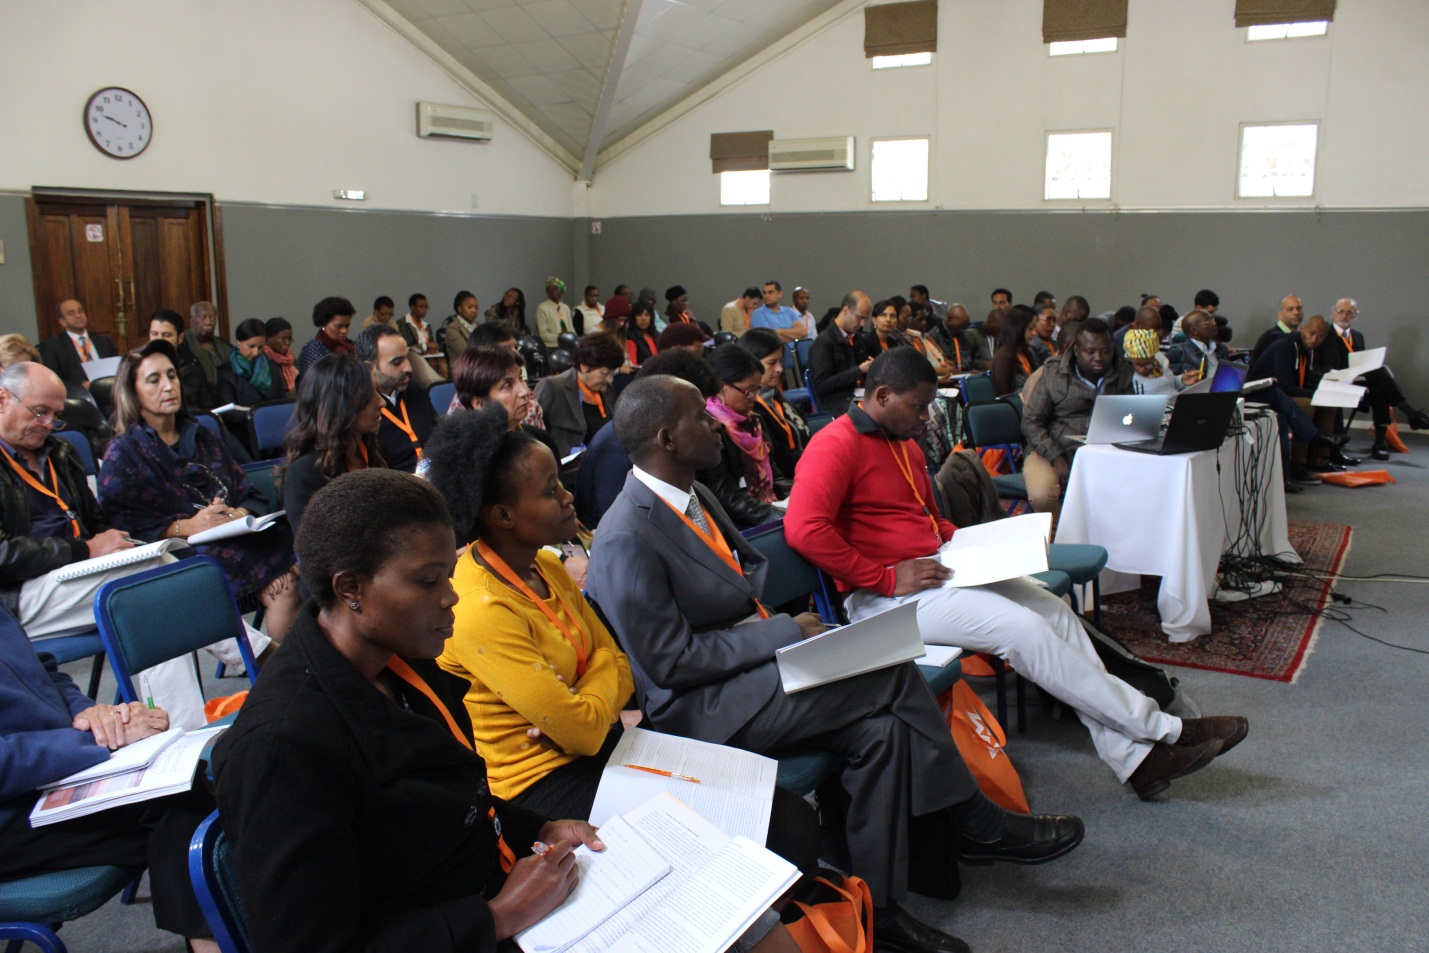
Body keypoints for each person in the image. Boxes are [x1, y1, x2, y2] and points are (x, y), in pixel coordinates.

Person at [589, 376, 1087, 953]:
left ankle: (879, 910)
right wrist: (779, 632)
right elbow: (667, 663)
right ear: (667, 438)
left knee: (879, 733)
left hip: (754, 674)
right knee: (890, 668)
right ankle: (977, 823)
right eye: (701, 419)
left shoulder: (693, 496)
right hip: (703, 709)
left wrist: (778, 637)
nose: (717, 426)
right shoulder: (627, 533)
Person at [786, 347, 1247, 798]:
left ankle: (1137, 760)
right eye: (919, 406)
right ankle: (1164, 730)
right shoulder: (834, 444)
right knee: (1026, 631)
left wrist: (974, 542)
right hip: (882, 601)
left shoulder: (901, 443)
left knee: (1054, 612)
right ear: (882, 395)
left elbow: (925, 518)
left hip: (937, 572)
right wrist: (886, 578)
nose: (927, 416)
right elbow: (805, 530)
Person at [213, 469, 628, 953]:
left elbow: (450, 805)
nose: (451, 597)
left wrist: (538, 827)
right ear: (351, 589)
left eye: (448, 576)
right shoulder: (282, 745)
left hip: (483, 893)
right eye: (428, 582)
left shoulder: (402, 657)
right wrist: (496, 918)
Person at [0, 611, 220, 952]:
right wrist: (93, 743)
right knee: (182, 807)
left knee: (197, 782)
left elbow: (43, 675)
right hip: (12, 806)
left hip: (53, 764)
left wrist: (98, 720)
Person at [98, 340, 300, 643]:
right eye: (154, 380)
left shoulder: (202, 434)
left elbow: (246, 491)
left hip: (238, 538)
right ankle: (291, 672)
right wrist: (187, 526)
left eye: (172, 375)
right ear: (133, 392)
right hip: (180, 555)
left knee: (304, 548)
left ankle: (307, 663)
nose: (168, 386)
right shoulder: (124, 453)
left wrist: (238, 513)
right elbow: (124, 529)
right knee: (287, 581)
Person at [0, 363, 171, 640]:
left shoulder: (61, 452)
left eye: (55, 416)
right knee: (153, 579)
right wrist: (84, 550)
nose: (47, 425)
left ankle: (253, 663)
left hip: (79, 573)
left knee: (153, 590)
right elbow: (2, 555)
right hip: (18, 593)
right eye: (40, 412)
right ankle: (257, 657)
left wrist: (113, 546)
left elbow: (96, 521)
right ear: (2, 400)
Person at [573, 348, 718, 529]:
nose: (715, 423)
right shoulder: (618, 446)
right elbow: (621, 522)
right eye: (701, 415)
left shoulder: (700, 491)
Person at [1020, 318, 1135, 524]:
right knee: (1042, 495)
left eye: (1105, 351)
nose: (1099, 358)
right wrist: (1056, 457)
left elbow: (1129, 414)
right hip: (1051, 446)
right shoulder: (1054, 373)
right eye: (1090, 352)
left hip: (1104, 448)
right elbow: (1031, 421)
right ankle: (1061, 537)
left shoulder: (1122, 370)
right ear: (1076, 349)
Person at [280, 354, 384, 535]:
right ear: (340, 405)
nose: (381, 402)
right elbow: (317, 552)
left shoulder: (375, 452)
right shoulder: (303, 475)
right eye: (370, 395)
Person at [1318, 297, 1429, 460]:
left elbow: (1361, 362)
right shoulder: (1323, 334)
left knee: (1378, 391)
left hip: (1357, 381)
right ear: (1333, 313)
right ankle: (1410, 413)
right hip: (1335, 380)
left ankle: (1379, 443)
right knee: (1381, 371)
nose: (1344, 316)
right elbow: (1319, 365)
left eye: (1350, 313)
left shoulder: (1357, 336)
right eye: (1340, 311)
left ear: (1355, 316)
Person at [702, 344, 787, 529]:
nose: (755, 398)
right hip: (740, 525)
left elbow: (774, 473)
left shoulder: (752, 421)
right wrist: (779, 515)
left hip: (769, 509)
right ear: (722, 387)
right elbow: (726, 496)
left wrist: (795, 495)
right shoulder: (710, 429)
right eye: (749, 391)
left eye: (757, 390)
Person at [1249, 315, 1341, 483]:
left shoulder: (1305, 350)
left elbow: (1305, 380)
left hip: (1284, 392)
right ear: (1303, 329)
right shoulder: (1285, 346)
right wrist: (1314, 395)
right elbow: (1285, 386)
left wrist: (1324, 391)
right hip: (1265, 394)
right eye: (1312, 333)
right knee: (1307, 405)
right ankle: (1298, 465)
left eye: (1320, 336)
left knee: (1328, 405)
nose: (1314, 339)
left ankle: (1318, 459)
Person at [452, 344, 559, 460]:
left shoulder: (540, 439)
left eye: (521, 379)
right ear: (479, 404)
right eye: (507, 385)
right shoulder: (466, 459)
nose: (524, 391)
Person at [354, 324, 436, 474]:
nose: (408, 368)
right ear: (370, 367)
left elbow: (438, 435)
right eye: (397, 362)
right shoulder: (361, 409)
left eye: (407, 358)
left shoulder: (414, 390)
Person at [534, 332, 625, 457]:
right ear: (584, 366)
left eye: (612, 373)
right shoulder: (552, 387)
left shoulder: (606, 388)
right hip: (570, 465)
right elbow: (534, 431)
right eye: (604, 373)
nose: (609, 380)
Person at [737, 328, 811, 478]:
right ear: (751, 364)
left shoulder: (779, 401)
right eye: (772, 363)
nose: (780, 369)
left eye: (780, 361)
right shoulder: (750, 411)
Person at [807, 291, 874, 416]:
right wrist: (859, 370)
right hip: (834, 403)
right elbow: (822, 385)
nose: (863, 324)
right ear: (846, 310)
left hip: (854, 397)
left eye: (866, 319)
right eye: (859, 317)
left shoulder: (856, 338)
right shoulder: (823, 342)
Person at [38, 298, 116, 391]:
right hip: (78, 397)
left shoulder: (103, 341)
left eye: (80, 311)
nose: (78, 315)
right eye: (71, 313)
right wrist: (80, 386)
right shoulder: (52, 347)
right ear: (62, 321)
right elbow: (53, 380)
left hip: (108, 392)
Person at [217, 318, 290, 406]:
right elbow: (228, 411)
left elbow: (281, 401)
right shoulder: (226, 371)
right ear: (238, 342)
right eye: (251, 346)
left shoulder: (271, 366)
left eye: (260, 347)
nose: (255, 352)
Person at [175, 302, 232, 412]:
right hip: (198, 406)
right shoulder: (183, 347)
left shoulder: (225, 346)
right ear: (191, 321)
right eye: (203, 317)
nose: (208, 322)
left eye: (212, 318)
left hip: (224, 403)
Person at [295, 295, 356, 378]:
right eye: (338, 326)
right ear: (324, 323)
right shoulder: (313, 349)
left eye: (347, 326)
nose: (344, 331)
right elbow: (316, 382)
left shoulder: (350, 346)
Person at [1126, 328, 1197, 396]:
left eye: (1148, 363)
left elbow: (1169, 384)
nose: (1142, 369)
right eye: (1138, 365)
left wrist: (1181, 380)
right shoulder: (1124, 375)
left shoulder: (1159, 361)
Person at [989, 307, 1038, 397]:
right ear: (1017, 329)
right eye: (1030, 328)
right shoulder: (1004, 356)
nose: (1034, 333)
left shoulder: (1026, 353)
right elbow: (1003, 395)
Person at [1248, 294, 1304, 366]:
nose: (1296, 312)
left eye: (1299, 308)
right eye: (1290, 309)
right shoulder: (1271, 338)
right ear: (1280, 314)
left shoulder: (1298, 338)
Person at [441, 290, 481, 367]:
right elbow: (465, 352)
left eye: (476, 308)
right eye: (470, 307)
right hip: (462, 369)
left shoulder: (479, 326)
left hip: (479, 366)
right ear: (459, 309)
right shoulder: (452, 328)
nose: (474, 311)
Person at [536, 277, 575, 348]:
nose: (552, 291)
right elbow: (543, 334)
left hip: (569, 344)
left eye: (555, 289)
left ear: (561, 291)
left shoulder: (566, 307)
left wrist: (573, 338)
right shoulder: (542, 308)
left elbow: (571, 329)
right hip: (552, 346)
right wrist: (562, 338)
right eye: (549, 289)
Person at [263, 317, 298, 394]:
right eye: (283, 338)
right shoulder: (263, 359)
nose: (287, 343)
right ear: (268, 338)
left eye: (290, 339)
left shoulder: (291, 359)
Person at [626, 300, 660, 366]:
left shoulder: (656, 334)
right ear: (634, 318)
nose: (643, 318)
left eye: (647, 315)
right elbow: (633, 365)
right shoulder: (630, 336)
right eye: (639, 315)